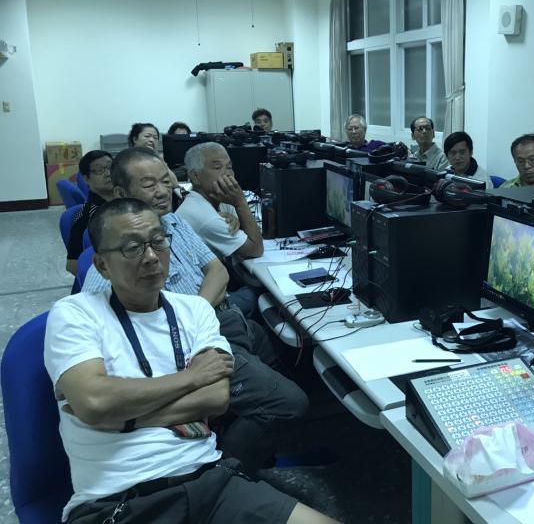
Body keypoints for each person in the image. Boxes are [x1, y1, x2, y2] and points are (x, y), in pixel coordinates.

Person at [45, 198, 335, 524]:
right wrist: (190, 378)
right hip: (120, 501)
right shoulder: (76, 314)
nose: (151, 257)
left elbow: (216, 397)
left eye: (158, 241)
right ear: (101, 265)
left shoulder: (195, 309)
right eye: (132, 248)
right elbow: (95, 402)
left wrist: (122, 418)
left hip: (210, 481)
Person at [82, 148, 308, 473]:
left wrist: (196, 313)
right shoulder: (108, 276)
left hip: (219, 318)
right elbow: (106, 367)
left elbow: (218, 271)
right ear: (120, 194)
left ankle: (263, 445)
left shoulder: (172, 221)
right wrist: (194, 326)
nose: (162, 191)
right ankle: (222, 472)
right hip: (195, 347)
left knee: (272, 347)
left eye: (165, 181)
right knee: (287, 402)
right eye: (149, 185)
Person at [176, 142, 264, 317]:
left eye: (229, 167)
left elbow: (246, 229)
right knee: (262, 292)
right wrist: (240, 202)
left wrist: (236, 216)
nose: (227, 173)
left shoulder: (216, 199)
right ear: (195, 177)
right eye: (217, 168)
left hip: (209, 289)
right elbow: (255, 249)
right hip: (203, 304)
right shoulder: (203, 214)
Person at [65, 150, 114, 275]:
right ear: (86, 178)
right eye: (99, 170)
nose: (108, 173)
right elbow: (72, 265)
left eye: (111, 167)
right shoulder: (87, 217)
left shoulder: (128, 200)